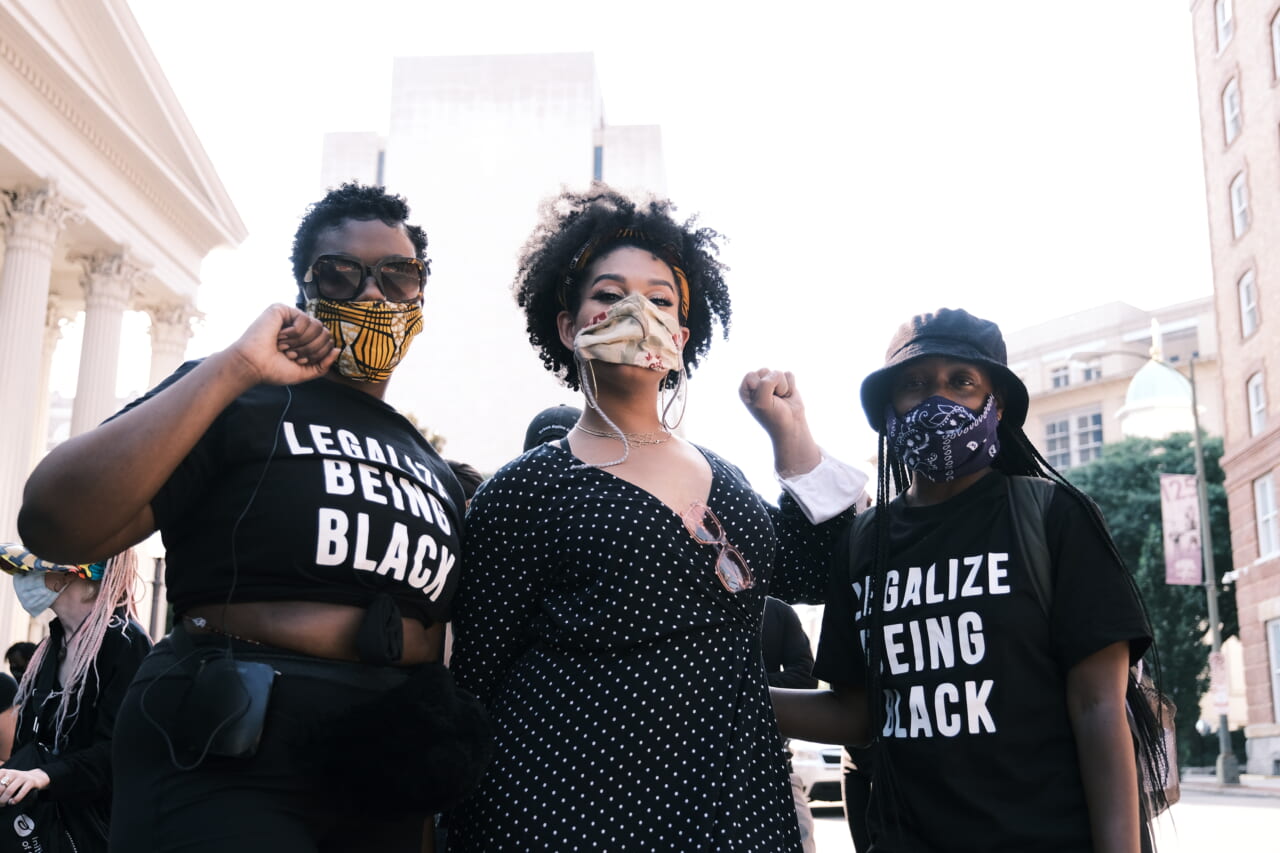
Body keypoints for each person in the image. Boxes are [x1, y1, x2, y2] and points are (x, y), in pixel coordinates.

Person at [18, 183, 491, 853]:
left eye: (398, 274)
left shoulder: (432, 466)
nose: (373, 294)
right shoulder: (239, 397)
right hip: (229, 739)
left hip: (386, 763)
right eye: (341, 273)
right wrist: (235, 366)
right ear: (304, 289)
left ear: (419, 298)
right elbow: (54, 521)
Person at [447, 184, 867, 851]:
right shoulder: (527, 489)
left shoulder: (726, 478)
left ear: (680, 334)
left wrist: (791, 433)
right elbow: (472, 679)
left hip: (733, 810)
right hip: (564, 814)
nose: (635, 311)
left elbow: (816, 571)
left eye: (660, 299)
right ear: (567, 326)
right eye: (609, 295)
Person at [771, 308, 1166, 853]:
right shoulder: (863, 543)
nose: (939, 400)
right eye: (915, 384)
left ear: (995, 406)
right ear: (889, 409)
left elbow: (1098, 706)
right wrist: (726, 691)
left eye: (962, 382)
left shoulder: (1054, 516)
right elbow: (857, 713)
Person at [0, 545, 151, 843]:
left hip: (91, 833)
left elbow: (122, 752)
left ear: (63, 578)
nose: (22, 580)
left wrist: (45, 776)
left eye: (30, 570)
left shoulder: (126, 644)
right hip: (40, 827)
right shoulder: (50, 648)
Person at [760, 596, 819, 853]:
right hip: (699, 761)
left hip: (775, 765)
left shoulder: (776, 611)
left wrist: (746, 682)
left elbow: (806, 677)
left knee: (800, 838)